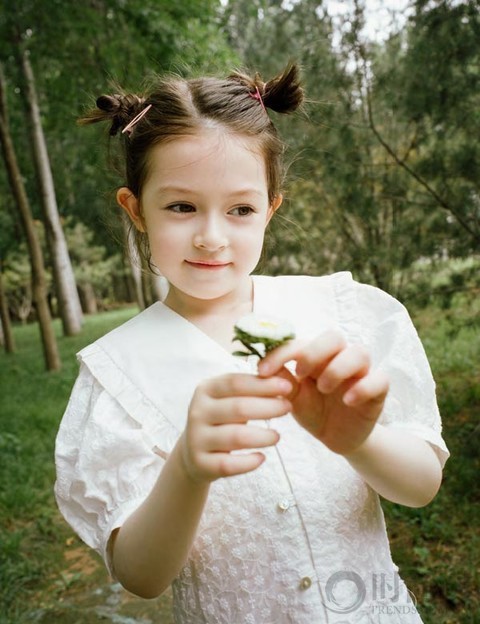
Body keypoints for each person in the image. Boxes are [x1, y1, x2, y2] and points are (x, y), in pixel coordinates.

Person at [54, 63, 449, 624]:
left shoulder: (341, 315)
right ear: (135, 208)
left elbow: (421, 485)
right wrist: (187, 469)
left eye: (240, 209)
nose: (212, 236)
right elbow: (141, 576)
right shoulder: (118, 372)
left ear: (271, 208)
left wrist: (361, 440)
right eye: (181, 206)